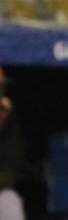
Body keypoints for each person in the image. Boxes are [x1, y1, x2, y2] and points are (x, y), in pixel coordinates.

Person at [0, 67, 26, 220]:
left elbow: (12, 165)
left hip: (1, 190)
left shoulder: (7, 117)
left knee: (11, 204)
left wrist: (3, 122)